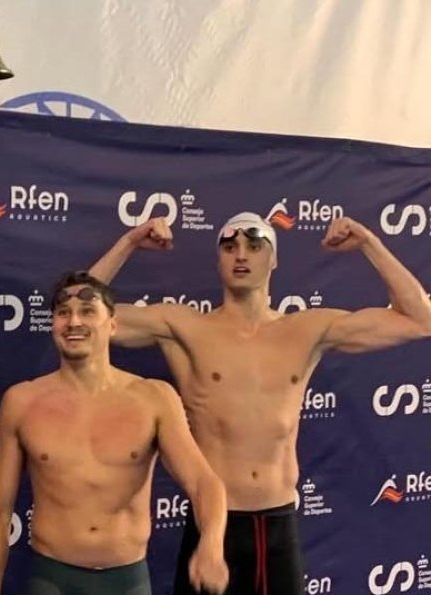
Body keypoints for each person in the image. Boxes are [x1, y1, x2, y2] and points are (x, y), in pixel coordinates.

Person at [88, 212, 431, 594]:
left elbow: (420, 320)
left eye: (254, 246)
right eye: (229, 247)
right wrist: (129, 243)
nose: (241, 255)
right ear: (218, 260)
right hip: (212, 527)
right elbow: (84, 314)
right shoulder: (184, 328)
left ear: (274, 259)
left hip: (278, 526)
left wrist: (368, 242)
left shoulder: (307, 330)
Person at [0, 271, 228, 595]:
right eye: (63, 312)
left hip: (127, 581)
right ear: (52, 324)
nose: (74, 322)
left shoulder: (154, 398)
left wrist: (212, 544)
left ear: (112, 324)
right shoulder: (22, 401)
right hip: (51, 579)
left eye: (87, 311)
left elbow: (203, 483)